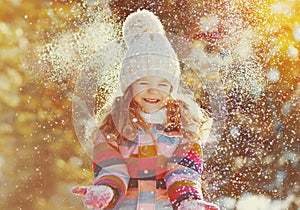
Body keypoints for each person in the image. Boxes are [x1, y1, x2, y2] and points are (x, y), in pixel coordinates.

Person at [72, 10, 219, 210]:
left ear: (172, 88)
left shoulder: (184, 129)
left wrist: (188, 200)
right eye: (143, 82)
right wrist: (107, 188)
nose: (153, 90)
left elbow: (183, 170)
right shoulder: (114, 127)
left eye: (162, 83)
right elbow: (110, 164)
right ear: (129, 86)